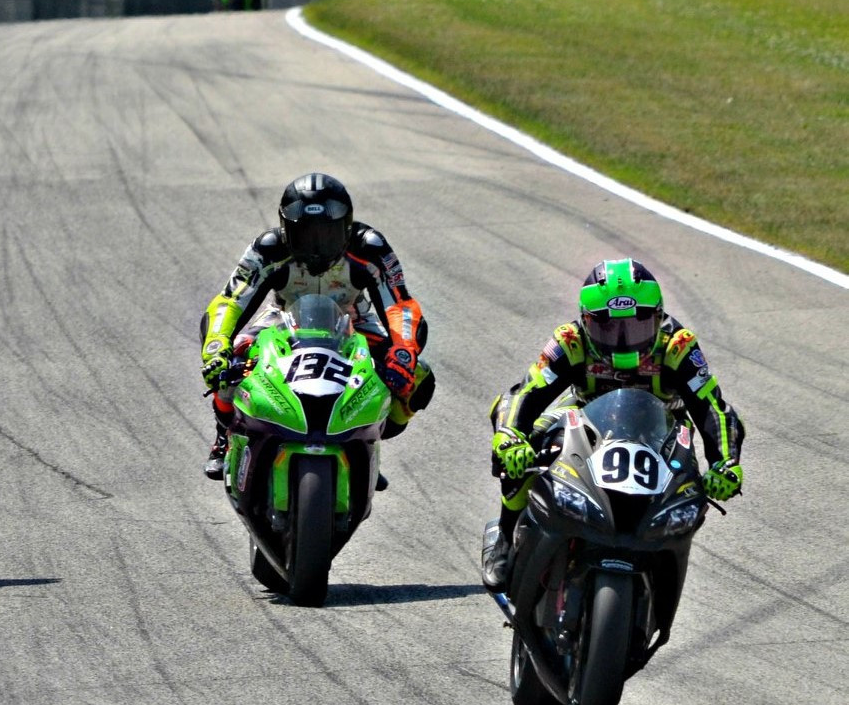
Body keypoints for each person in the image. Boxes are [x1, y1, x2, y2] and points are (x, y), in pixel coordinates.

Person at [480, 259, 746, 591]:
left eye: (637, 327)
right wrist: (511, 435)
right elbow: (524, 393)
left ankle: (664, 561)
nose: (623, 342)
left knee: (689, 484)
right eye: (608, 329)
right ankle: (505, 534)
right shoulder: (569, 341)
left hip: (661, 426)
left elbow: (713, 408)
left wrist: (725, 461)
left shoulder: (677, 346)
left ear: (659, 317)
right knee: (525, 441)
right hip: (586, 414)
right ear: (586, 321)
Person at [200, 173, 436, 480]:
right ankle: (225, 437)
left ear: (347, 227)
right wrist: (216, 345)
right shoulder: (267, 249)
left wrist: (403, 351)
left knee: (417, 376)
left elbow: (400, 304)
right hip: (282, 317)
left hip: (354, 319)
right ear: (285, 228)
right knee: (230, 364)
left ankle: (365, 439)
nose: (315, 246)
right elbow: (229, 300)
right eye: (305, 234)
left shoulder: (370, 248)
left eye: (325, 235)